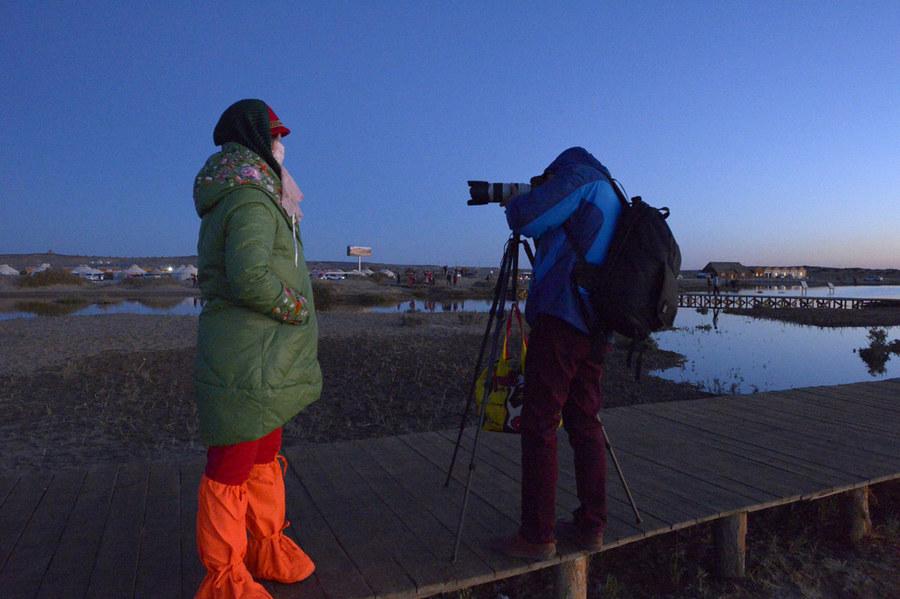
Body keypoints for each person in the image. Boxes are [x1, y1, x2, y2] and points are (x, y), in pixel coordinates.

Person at [192, 99, 322, 598]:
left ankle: (265, 545)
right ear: (253, 140)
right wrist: (295, 308)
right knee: (230, 463)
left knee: (264, 452)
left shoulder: (261, 192)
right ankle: (225, 576)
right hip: (245, 357)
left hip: (263, 357)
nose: (281, 146)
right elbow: (248, 276)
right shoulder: (248, 196)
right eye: (274, 136)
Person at [493, 147, 622, 560]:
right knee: (584, 419)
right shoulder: (612, 191)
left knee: (540, 422)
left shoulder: (579, 179)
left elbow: (526, 219)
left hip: (563, 318)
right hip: (597, 323)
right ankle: (591, 526)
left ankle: (537, 537)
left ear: (555, 171)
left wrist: (517, 199)